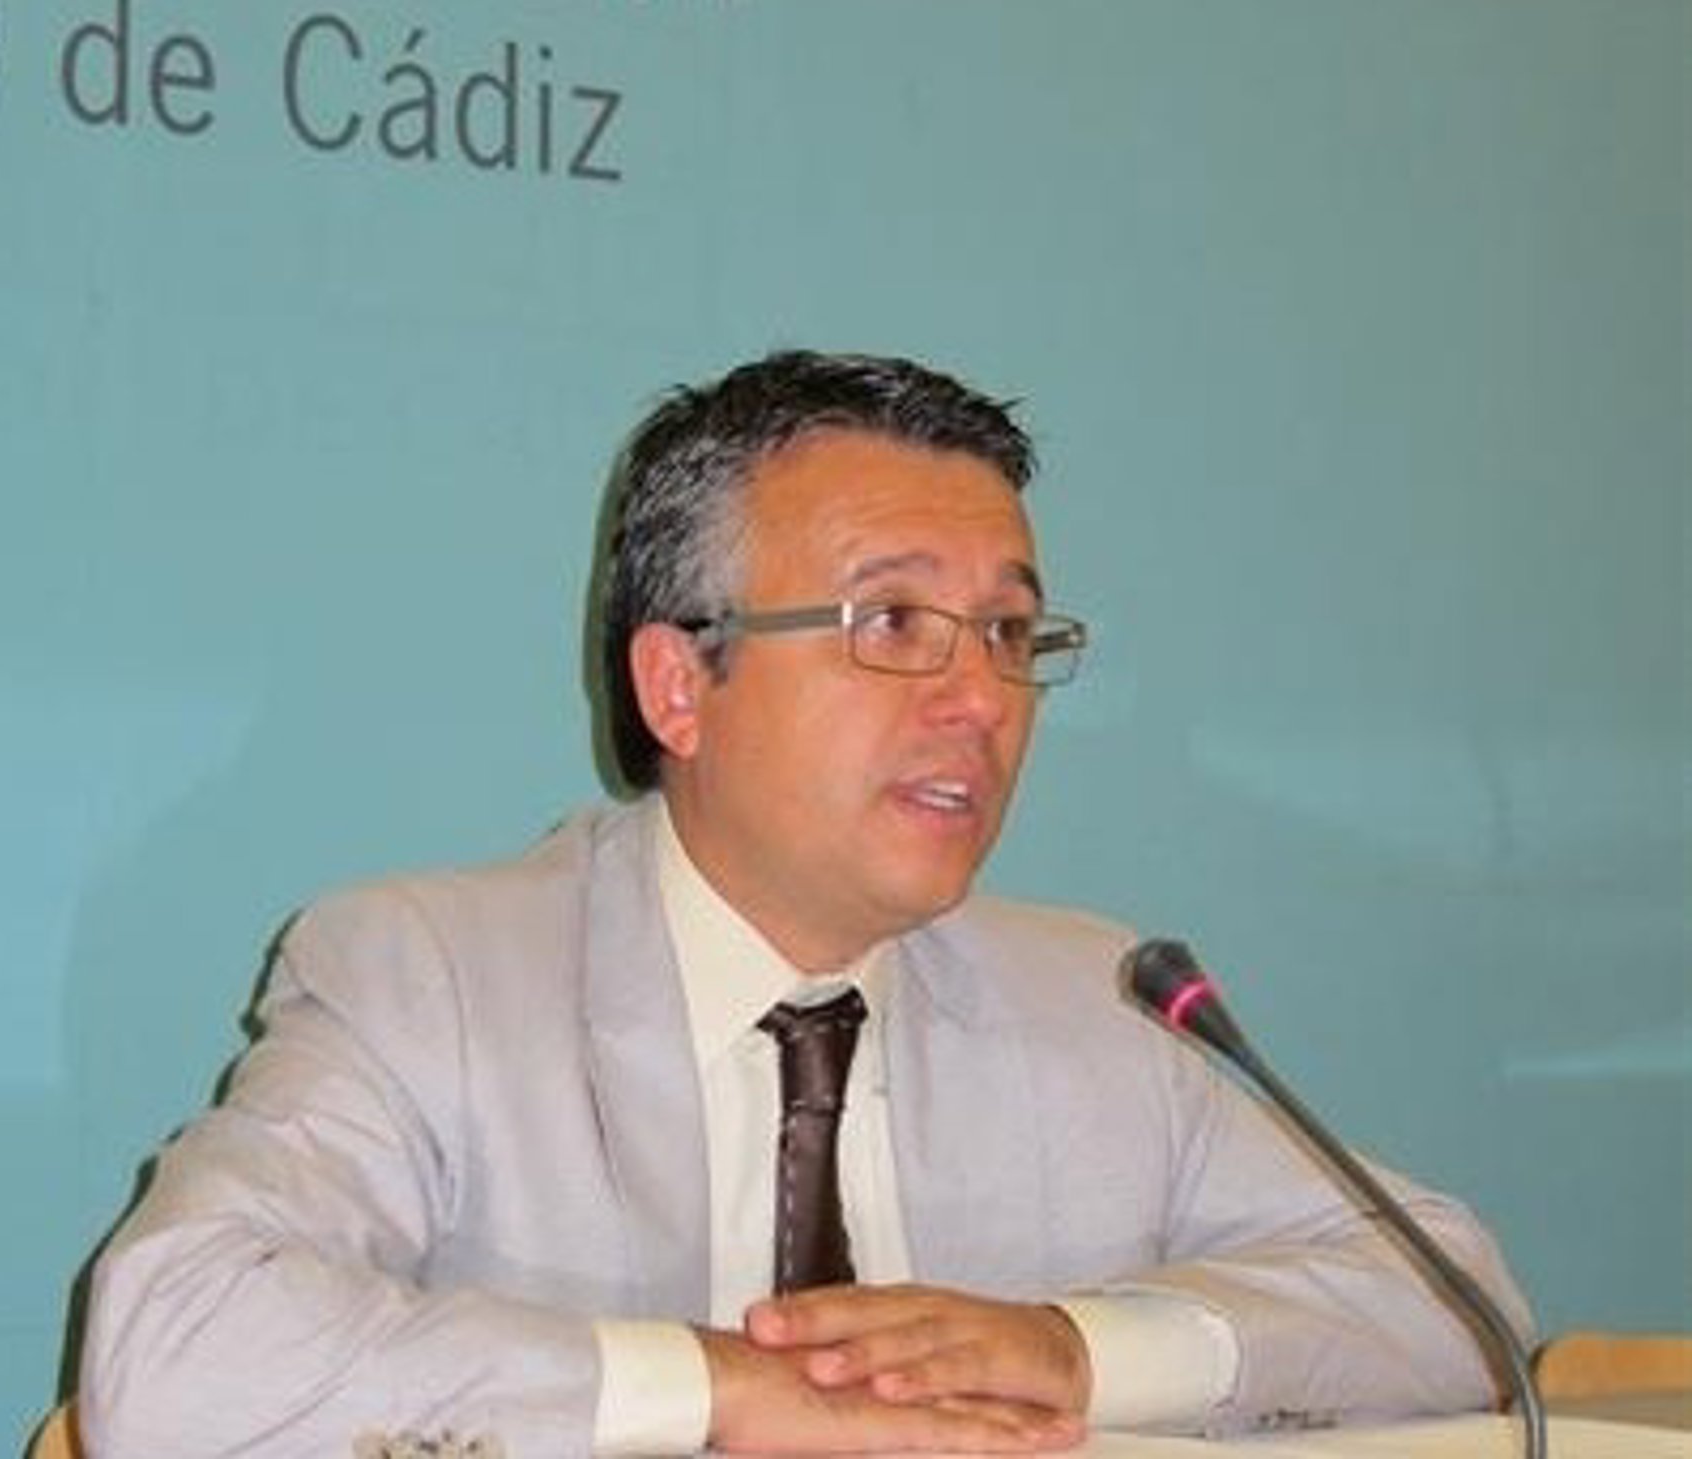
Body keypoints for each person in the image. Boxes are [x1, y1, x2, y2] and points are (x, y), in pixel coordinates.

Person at [78, 350, 1532, 1458]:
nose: (980, 697)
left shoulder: (1099, 999)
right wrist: (717, 1390)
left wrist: (1075, 1351)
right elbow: (175, 1345)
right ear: (679, 686)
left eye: (1009, 631)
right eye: (892, 623)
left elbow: (1455, 1300)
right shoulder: (430, 976)